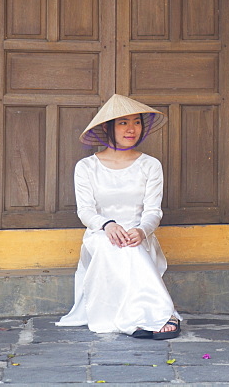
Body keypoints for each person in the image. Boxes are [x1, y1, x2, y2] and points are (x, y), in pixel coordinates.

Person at [56, 94, 181, 339]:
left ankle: (145, 316)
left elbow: (153, 211)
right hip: (99, 235)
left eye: (136, 122)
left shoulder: (150, 165)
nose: (131, 128)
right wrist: (107, 225)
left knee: (131, 246)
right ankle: (159, 315)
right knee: (110, 243)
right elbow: (85, 211)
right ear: (108, 127)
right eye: (123, 122)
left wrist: (141, 231)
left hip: (139, 234)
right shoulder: (86, 167)